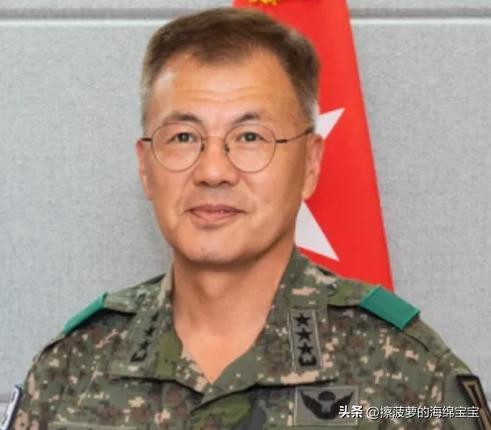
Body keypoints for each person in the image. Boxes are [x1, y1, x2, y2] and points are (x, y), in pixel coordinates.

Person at [3, 7, 490, 430]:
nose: (213, 171)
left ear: (311, 164)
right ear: (146, 168)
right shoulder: (71, 371)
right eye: (183, 137)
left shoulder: (407, 375)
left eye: (251, 137)